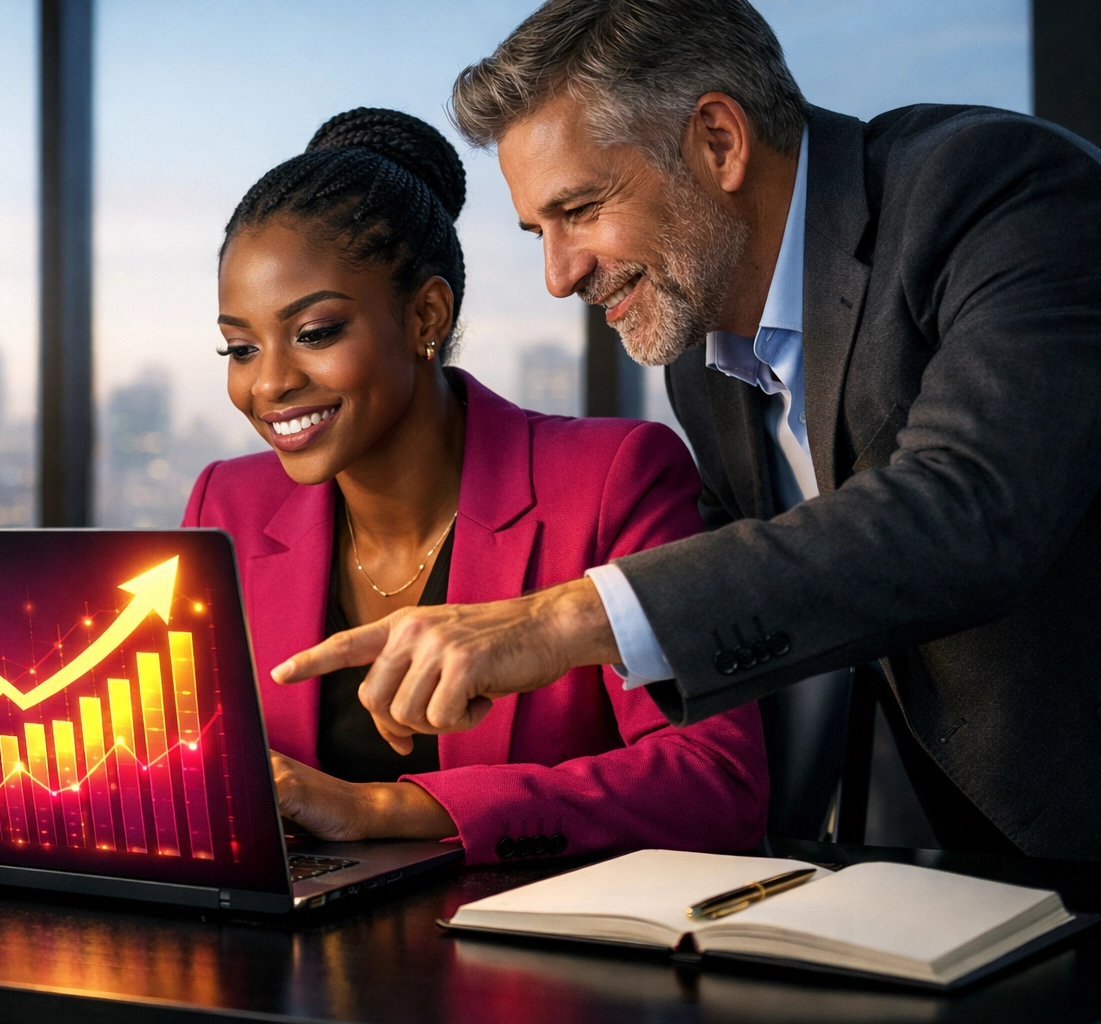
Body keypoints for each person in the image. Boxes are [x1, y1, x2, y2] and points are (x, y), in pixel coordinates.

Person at [272, 0, 1101, 860]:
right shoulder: (702, 360)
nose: (559, 276)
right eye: (538, 232)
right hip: (969, 860)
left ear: (719, 141)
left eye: (580, 209)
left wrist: (558, 620)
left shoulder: (1001, 192)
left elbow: (970, 511)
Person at [185, 107, 767, 863]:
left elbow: (716, 784)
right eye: (239, 348)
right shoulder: (227, 505)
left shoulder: (610, 480)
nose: (268, 384)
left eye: (315, 334)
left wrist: (383, 809)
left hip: (532, 931)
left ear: (426, 315)